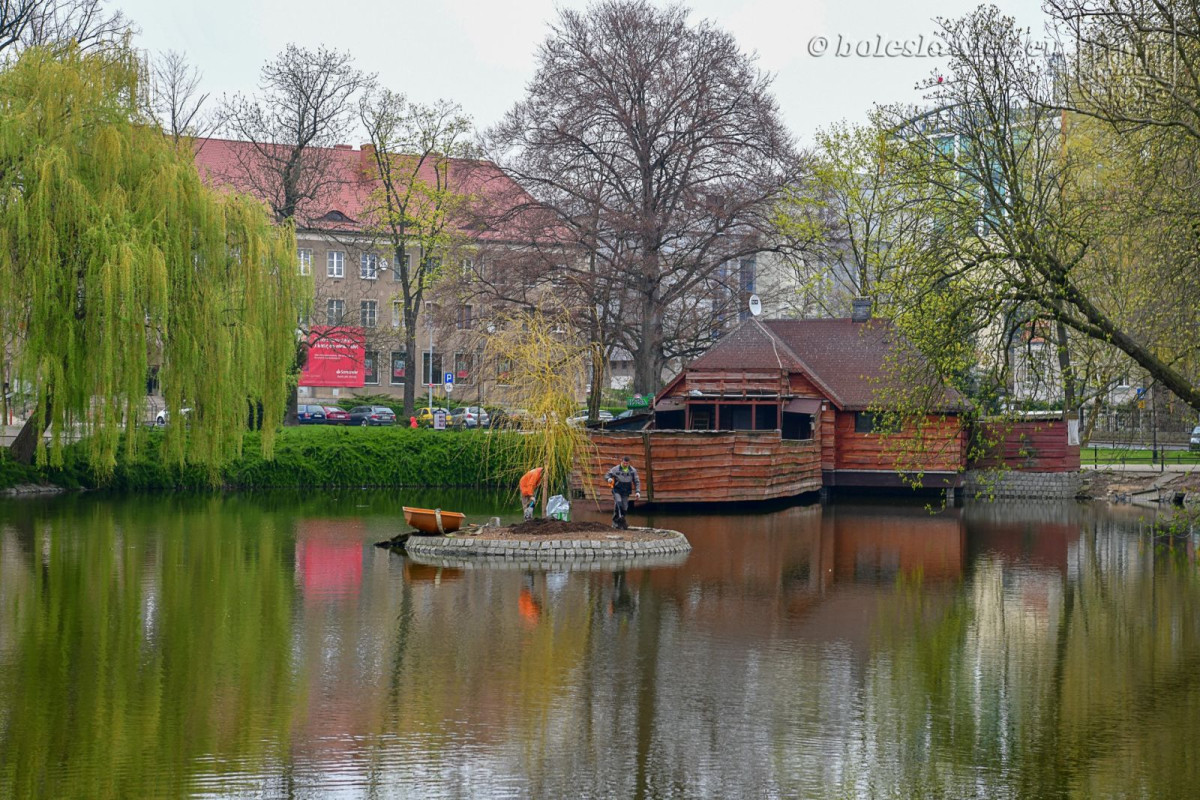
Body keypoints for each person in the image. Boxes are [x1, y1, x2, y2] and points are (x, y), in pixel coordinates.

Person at [605, 455, 641, 529]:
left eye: (627, 463)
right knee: (619, 503)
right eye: (624, 463)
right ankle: (615, 522)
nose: (625, 464)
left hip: (626, 490)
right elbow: (607, 475)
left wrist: (637, 492)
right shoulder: (615, 469)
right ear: (621, 462)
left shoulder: (632, 470)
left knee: (625, 507)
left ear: (629, 463)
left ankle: (621, 521)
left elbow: (636, 481)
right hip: (617, 489)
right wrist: (609, 479)